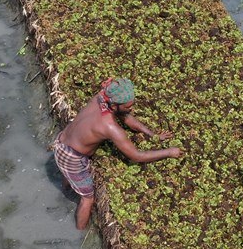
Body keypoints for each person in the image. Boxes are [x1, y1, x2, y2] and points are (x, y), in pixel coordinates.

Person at [52, 77, 182, 230]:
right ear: (115, 105)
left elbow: (125, 116)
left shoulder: (101, 98)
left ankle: (65, 192)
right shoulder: (110, 127)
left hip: (61, 142)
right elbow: (136, 156)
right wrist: (169, 152)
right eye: (129, 106)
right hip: (72, 157)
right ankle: (78, 233)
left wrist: (153, 135)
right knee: (87, 198)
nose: (132, 108)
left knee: (69, 174)